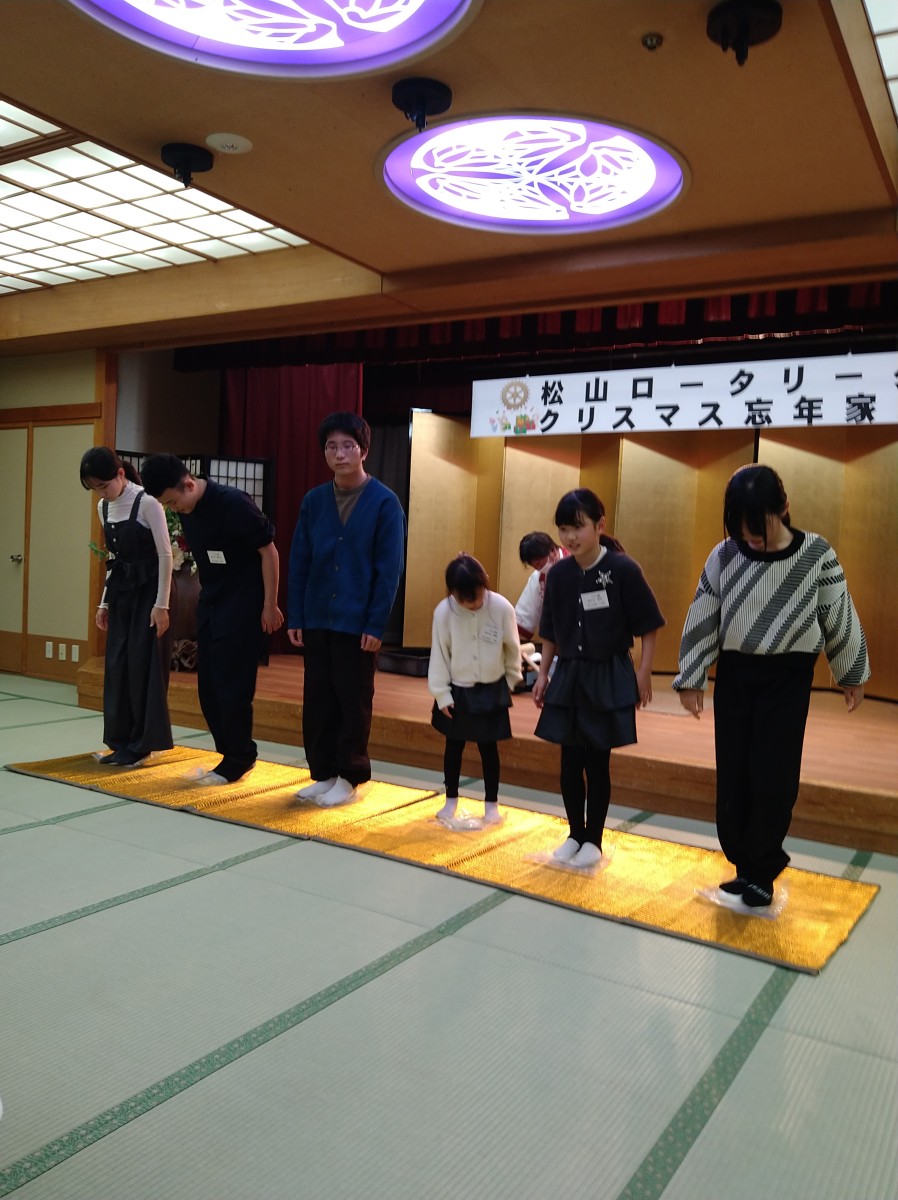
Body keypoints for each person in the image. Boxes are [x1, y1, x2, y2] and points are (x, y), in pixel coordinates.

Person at [673, 464, 870, 910]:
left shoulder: (816, 553)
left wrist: (851, 673)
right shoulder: (725, 554)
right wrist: (691, 677)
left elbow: (838, 614)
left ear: (784, 508)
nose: (752, 540)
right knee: (734, 773)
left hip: (788, 678)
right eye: (743, 531)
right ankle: (744, 867)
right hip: (736, 676)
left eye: (759, 529)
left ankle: (762, 871)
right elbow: (703, 614)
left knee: (773, 775)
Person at [533, 489, 664, 868]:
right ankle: (575, 833)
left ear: (599, 525)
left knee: (597, 762)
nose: (569, 537)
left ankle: (594, 839)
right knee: (569, 762)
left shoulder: (623, 570)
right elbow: (550, 630)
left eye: (578, 527)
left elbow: (649, 625)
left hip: (607, 674)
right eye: (563, 529)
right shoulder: (558, 574)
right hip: (569, 674)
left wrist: (644, 672)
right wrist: (543, 674)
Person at [140, 454, 284, 785]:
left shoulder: (234, 503)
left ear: (188, 484)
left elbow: (269, 551)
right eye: (167, 505)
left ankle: (240, 758)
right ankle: (229, 754)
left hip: (245, 603)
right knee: (208, 689)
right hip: (213, 603)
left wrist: (270, 605)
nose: (174, 509)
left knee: (233, 687)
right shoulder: (187, 509)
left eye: (173, 501)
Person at [287, 413, 405, 807]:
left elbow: (389, 571)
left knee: (352, 699)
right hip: (317, 616)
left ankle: (350, 774)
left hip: (357, 622)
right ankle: (323, 773)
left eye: (348, 446)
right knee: (318, 699)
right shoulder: (314, 501)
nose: (339, 454)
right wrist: (297, 615)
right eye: (331, 447)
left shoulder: (385, 503)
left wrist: (376, 624)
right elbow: (300, 560)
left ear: (364, 450)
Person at [80, 447, 173, 766]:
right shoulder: (103, 507)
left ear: (120, 474)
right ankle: (120, 741)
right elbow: (114, 558)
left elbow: (165, 555)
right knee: (117, 664)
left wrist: (162, 605)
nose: (101, 493)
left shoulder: (147, 502)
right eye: (95, 488)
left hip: (149, 592)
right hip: (122, 591)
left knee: (141, 665)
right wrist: (103, 602)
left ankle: (143, 743)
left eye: (104, 485)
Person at [428, 553, 522, 827]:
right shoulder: (443, 612)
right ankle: (450, 800)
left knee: (488, 749)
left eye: (477, 597)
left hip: (492, 688)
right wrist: (441, 694)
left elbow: (513, 648)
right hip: (457, 690)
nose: (472, 604)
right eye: (463, 599)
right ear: (452, 592)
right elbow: (439, 655)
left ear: (485, 583)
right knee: (453, 747)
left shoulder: (501, 608)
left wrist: (510, 681)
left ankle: (491, 804)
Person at [514, 531, 569, 640]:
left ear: (553, 551)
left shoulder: (578, 563)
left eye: (539, 563)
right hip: (555, 639)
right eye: (534, 566)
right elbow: (524, 618)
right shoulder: (538, 578)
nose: (538, 569)